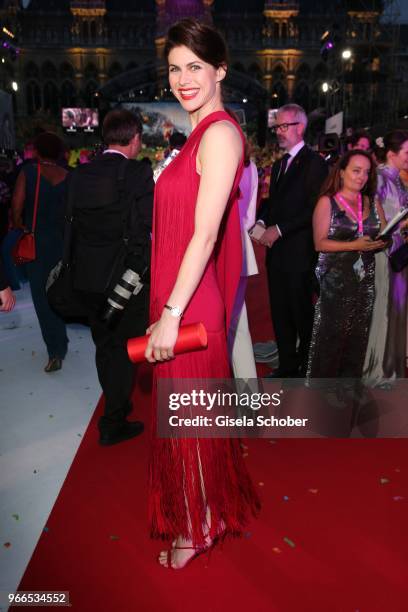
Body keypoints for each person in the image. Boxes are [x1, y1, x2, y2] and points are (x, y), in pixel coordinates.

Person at [145, 18, 260, 569]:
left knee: (191, 426)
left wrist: (170, 313)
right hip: (179, 295)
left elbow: (207, 233)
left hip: (191, 305)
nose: (183, 79)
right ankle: (206, 512)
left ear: (219, 70)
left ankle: (198, 526)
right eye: (174, 68)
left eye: (195, 66)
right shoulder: (195, 133)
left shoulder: (217, 133)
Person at [68, 109, 154, 446]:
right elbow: (146, 228)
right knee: (127, 348)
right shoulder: (137, 173)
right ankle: (113, 420)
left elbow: (69, 228)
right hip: (125, 281)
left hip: (87, 277)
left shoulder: (79, 175)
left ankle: (117, 405)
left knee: (105, 346)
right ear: (134, 140)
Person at [254, 104, 328, 377]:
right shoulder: (279, 163)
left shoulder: (315, 163)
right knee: (280, 314)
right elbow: (274, 205)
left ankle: (308, 370)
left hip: (299, 254)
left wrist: (280, 230)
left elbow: (314, 209)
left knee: (301, 316)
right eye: (277, 128)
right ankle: (287, 366)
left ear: (300, 127)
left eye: (284, 127)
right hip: (277, 256)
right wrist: (262, 222)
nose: (279, 133)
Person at [307, 150, 387, 379]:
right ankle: (324, 390)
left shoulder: (372, 202)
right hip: (335, 281)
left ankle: (349, 386)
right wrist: (355, 245)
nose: (361, 176)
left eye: (366, 172)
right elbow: (319, 244)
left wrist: (387, 237)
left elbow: (380, 235)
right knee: (331, 337)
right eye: (356, 170)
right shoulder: (327, 202)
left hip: (365, 281)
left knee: (358, 336)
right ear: (341, 173)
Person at [11, 132, 69, 372]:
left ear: (37, 151)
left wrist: (20, 225)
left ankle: (55, 350)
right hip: (62, 243)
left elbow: (16, 206)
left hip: (37, 243)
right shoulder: (69, 176)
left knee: (41, 299)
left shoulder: (29, 173)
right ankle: (61, 338)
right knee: (59, 292)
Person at [364, 131, 408, 386]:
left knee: (397, 310)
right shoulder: (380, 179)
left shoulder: (399, 180)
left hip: (399, 252)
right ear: (392, 154)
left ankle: (391, 366)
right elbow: (377, 218)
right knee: (385, 311)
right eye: (406, 153)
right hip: (386, 252)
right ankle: (379, 370)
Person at [229, 140, 258, 378]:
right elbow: (250, 218)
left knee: (220, 327)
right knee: (238, 326)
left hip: (219, 250)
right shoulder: (251, 166)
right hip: (241, 245)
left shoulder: (216, 162)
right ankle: (249, 402)